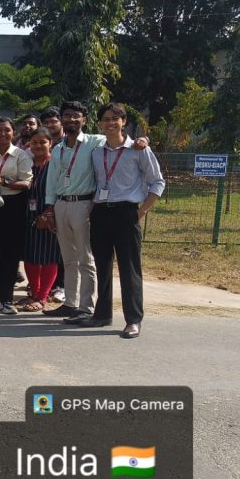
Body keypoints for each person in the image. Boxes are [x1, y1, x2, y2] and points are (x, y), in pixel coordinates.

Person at [41, 101, 150, 321]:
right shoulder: (58, 148)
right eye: (67, 115)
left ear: (85, 120)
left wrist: (144, 140)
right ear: (62, 120)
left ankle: (85, 307)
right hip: (61, 204)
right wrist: (49, 209)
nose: (71, 119)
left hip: (85, 204)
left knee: (85, 258)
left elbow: (119, 138)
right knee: (68, 258)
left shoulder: (95, 142)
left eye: (76, 116)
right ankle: (70, 303)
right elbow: (51, 182)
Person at [76, 103, 165, 339]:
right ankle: (102, 314)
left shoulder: (138, 150)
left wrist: (141, 212)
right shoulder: (97, 152)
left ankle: (133, 320)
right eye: (106, 119)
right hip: (101, 213)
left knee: (129, 268)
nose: (110, 123)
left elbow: (158, 182)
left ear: (124, 122)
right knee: (102, 266)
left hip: (127, 213)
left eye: (115, 119)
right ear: (100, 123)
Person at [0, 117, 32, 315]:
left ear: (14, 132)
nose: (3, 134)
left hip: (13, 205)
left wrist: (3, 181)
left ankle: (7, 298)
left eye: (7, 130)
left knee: (10, 253)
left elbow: (26, 183)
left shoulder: (21, 155)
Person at [21, 129, 62, 312]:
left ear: (50, 144)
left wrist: (49, 213)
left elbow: (60, 190)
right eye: (34, 142)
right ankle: (34, 292)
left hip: (49, 215)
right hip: (28, 216)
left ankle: (42, 297)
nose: (38, 146)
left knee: (48, 256)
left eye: (42, 142)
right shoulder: (26, 164)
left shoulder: (55, 164)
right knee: (30, 255)